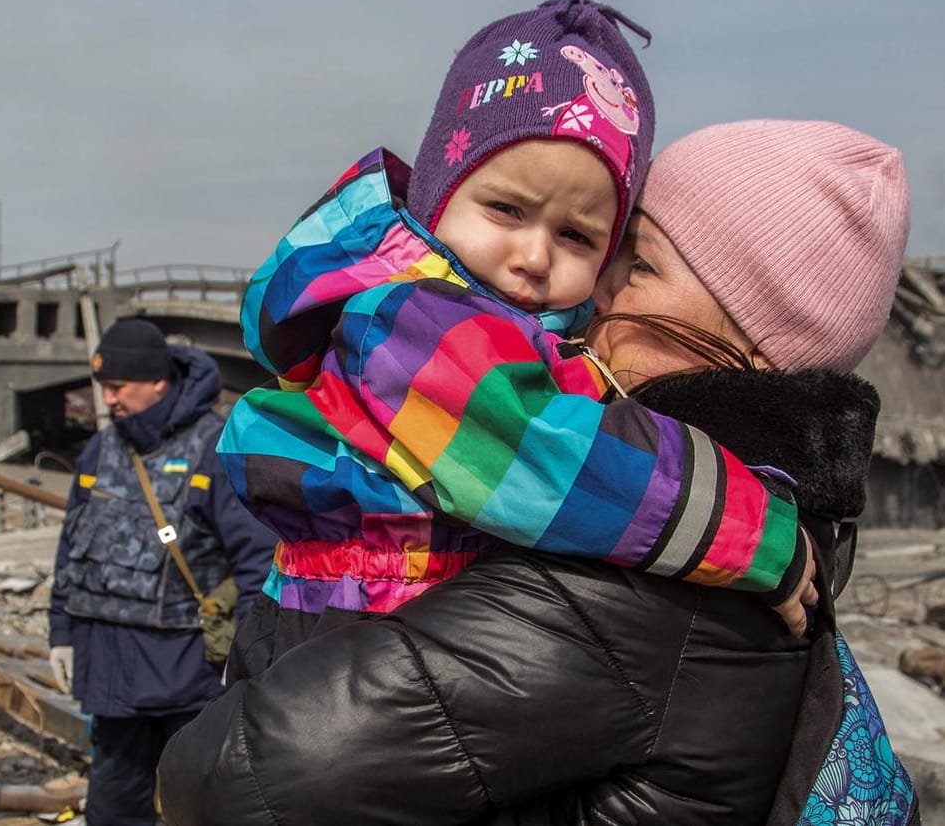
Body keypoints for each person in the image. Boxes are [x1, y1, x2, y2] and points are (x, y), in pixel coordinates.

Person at [156, 120, 917, 824]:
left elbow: (219, 779)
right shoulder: (770, 516)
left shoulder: (652, 577)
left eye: (638, 261)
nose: (592, 285)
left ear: (756, 342)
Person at [218, 0, 820, 683]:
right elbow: (545, 456)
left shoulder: (505, 324)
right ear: (437, 198)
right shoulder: (411, 322)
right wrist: (752, 531)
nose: (534, 257)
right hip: (357, 622)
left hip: (396, 613)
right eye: (506, 209)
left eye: (575, 235)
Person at [47, 318, 278, 826]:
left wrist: (244, 653)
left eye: (117, 388)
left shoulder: (213, 448)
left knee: (201, 804)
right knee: (112, 806)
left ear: (157, 381)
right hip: (108, 667)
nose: (107, 400)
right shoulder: (100, 450)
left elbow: (258, 562)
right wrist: (60, 632)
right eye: (104, 388)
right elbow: (71, 547)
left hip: (186, 672)